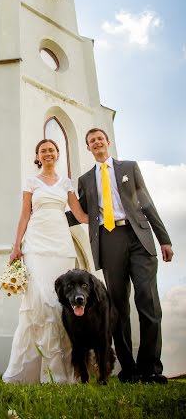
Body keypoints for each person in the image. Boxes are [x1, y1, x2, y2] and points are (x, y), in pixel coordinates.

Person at [72, 128, 173, 384]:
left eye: (99, 138)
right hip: (108, 240)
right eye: (91, 140)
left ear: (107, 142)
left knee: (148, 301)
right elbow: (80, 211)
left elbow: (146, 202)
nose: (96, 142)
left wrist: (164, 239)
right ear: (88, 148)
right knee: (117, 308)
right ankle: (129, 370)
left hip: (138, 236)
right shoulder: (85, 180)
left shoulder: (129, 167)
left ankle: (151, 368)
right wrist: (44, 214)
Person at [2, 139, 88, 384]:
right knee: (39, 302)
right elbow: (24, 214)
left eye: (52, 150)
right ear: (38, 156)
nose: (48, 153)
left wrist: (106, 216)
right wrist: (16, 245)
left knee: (61, 303)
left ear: (57, 154)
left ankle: (65, 370)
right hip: (36, 244)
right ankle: (43, 373)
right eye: (43, 151)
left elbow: (80, 215)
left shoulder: (66, 183)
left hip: (61, 245)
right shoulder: (31, 182)